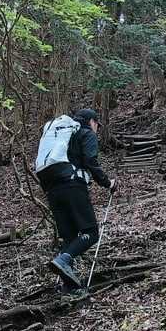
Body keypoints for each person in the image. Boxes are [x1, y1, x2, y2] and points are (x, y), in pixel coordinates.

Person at [35, 108, 115, 289]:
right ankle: (63, 260)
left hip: (52, 189)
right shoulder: (86, 133)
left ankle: (70, 289)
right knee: (91, 232)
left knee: (69, 238)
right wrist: (107, 183)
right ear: (92, 121)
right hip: (73, 186)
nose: (97, 129)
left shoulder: (62, 136)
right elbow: (90, 161)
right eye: (97, 125)